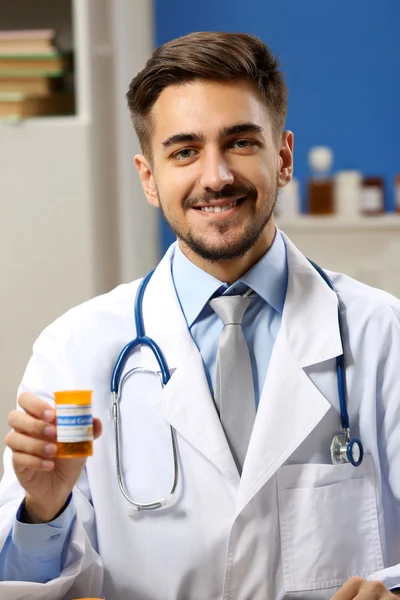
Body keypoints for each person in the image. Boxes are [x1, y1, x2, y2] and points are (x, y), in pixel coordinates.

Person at [0, 31, 399, 600]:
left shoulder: (384, 334)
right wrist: (45, 507)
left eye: (239, 142)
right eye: (184, 151)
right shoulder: (75, 348)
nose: (215, 177)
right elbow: (29, 585)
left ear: (282, 157)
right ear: (148, 176)